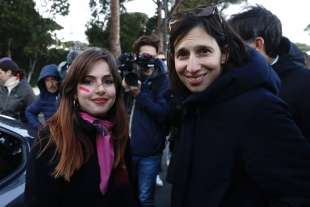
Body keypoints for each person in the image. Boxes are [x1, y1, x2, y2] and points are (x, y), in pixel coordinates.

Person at [167, 5, 310, 207]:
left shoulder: (260, 107)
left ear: (224, 54)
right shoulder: (191, 104)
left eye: (204, 51)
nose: (191, 67)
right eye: (182, 54)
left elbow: (299, 193)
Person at [25, 48, 138, 207]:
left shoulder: (119, 135)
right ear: (73, 90)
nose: (100, 89)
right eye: (87, 81)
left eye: (108, 81)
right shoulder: (50, 141)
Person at [228, 5, 310, 141]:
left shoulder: (305, 82)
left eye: (235, 44)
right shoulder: (234, 82)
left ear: (258, 44)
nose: (228, 51)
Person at [123, 34, 170, 207]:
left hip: (150, 153)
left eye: (152, 56)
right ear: (136, 56)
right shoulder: (129, 75)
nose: (148, 60)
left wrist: (139, 94)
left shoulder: (162, 80)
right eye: (144, 56)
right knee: (128, 196)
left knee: (145, 198)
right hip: (126, 152)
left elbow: (163, 114)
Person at [25, 64, 61, 132]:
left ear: (59, 80)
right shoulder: (43, 97)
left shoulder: (66, 95)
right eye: (47, 80)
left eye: (53, 79)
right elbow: (29, 112)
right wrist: (39, 127)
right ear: (43, 82)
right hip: (52, 135)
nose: (51, 84)